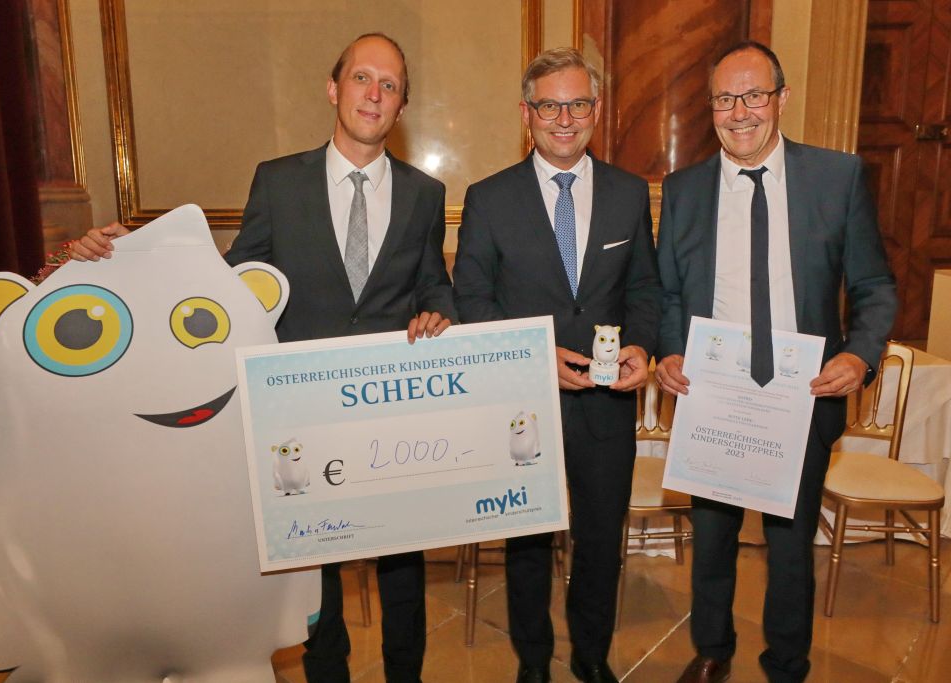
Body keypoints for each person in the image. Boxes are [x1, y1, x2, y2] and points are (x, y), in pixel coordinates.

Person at [71, 33, 454, 683]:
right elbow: (228, 283)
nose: (374, 94)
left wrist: (439, 310)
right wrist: (131, 253)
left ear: (402, 106)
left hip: (387, 415)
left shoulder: (425, 193)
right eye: (362, 78)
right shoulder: (277, 182)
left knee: (402, 568)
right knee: (315, 575)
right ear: (334, 89)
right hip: (300, 412)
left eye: (389, 86)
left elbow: (432, 283)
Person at [655, 42, 897, 683]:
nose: (739, 112)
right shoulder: (683, 191)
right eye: (724, 99)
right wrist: (670, 349)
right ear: (710, 107)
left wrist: (859, 354)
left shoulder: (837, 178)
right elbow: (669, 292)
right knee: (712, 541)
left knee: (790, 548)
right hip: (714, 396)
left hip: (802, 397)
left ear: (782, 99)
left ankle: (787, 664)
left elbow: (875, 285)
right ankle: (712, 651)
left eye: (754, 95)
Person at [453, 47, 662, 683]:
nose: (564, 119)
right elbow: (471, 301)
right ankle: (534, 663)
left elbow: (644, 289)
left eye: (577, 105)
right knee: (527, 542)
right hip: (522, 405)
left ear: (596, 111)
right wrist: (535, 357)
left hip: (606, 403)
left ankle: (591, 658)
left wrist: (642, 345)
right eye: (549, 106)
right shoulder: (488, 198)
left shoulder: (629, 193)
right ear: (526, 114)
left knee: (600, 541)